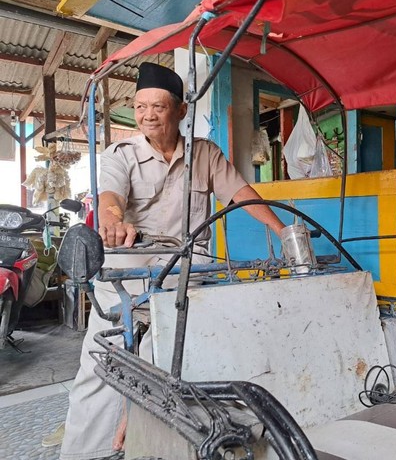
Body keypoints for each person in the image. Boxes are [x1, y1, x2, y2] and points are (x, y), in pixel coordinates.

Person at [57, 62, 285, 460]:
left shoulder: (205, 155)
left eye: (158, 107)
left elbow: (241, 193)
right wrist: (112, 221)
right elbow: (111, 197)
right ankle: (84, 452)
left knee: (173, 366)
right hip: (127, 277)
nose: (147, 115)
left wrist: (284, 233)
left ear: (180, 111)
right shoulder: (121, 154)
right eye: (141, 106)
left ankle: (158, 444)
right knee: (103, 366)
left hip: (185, 277)